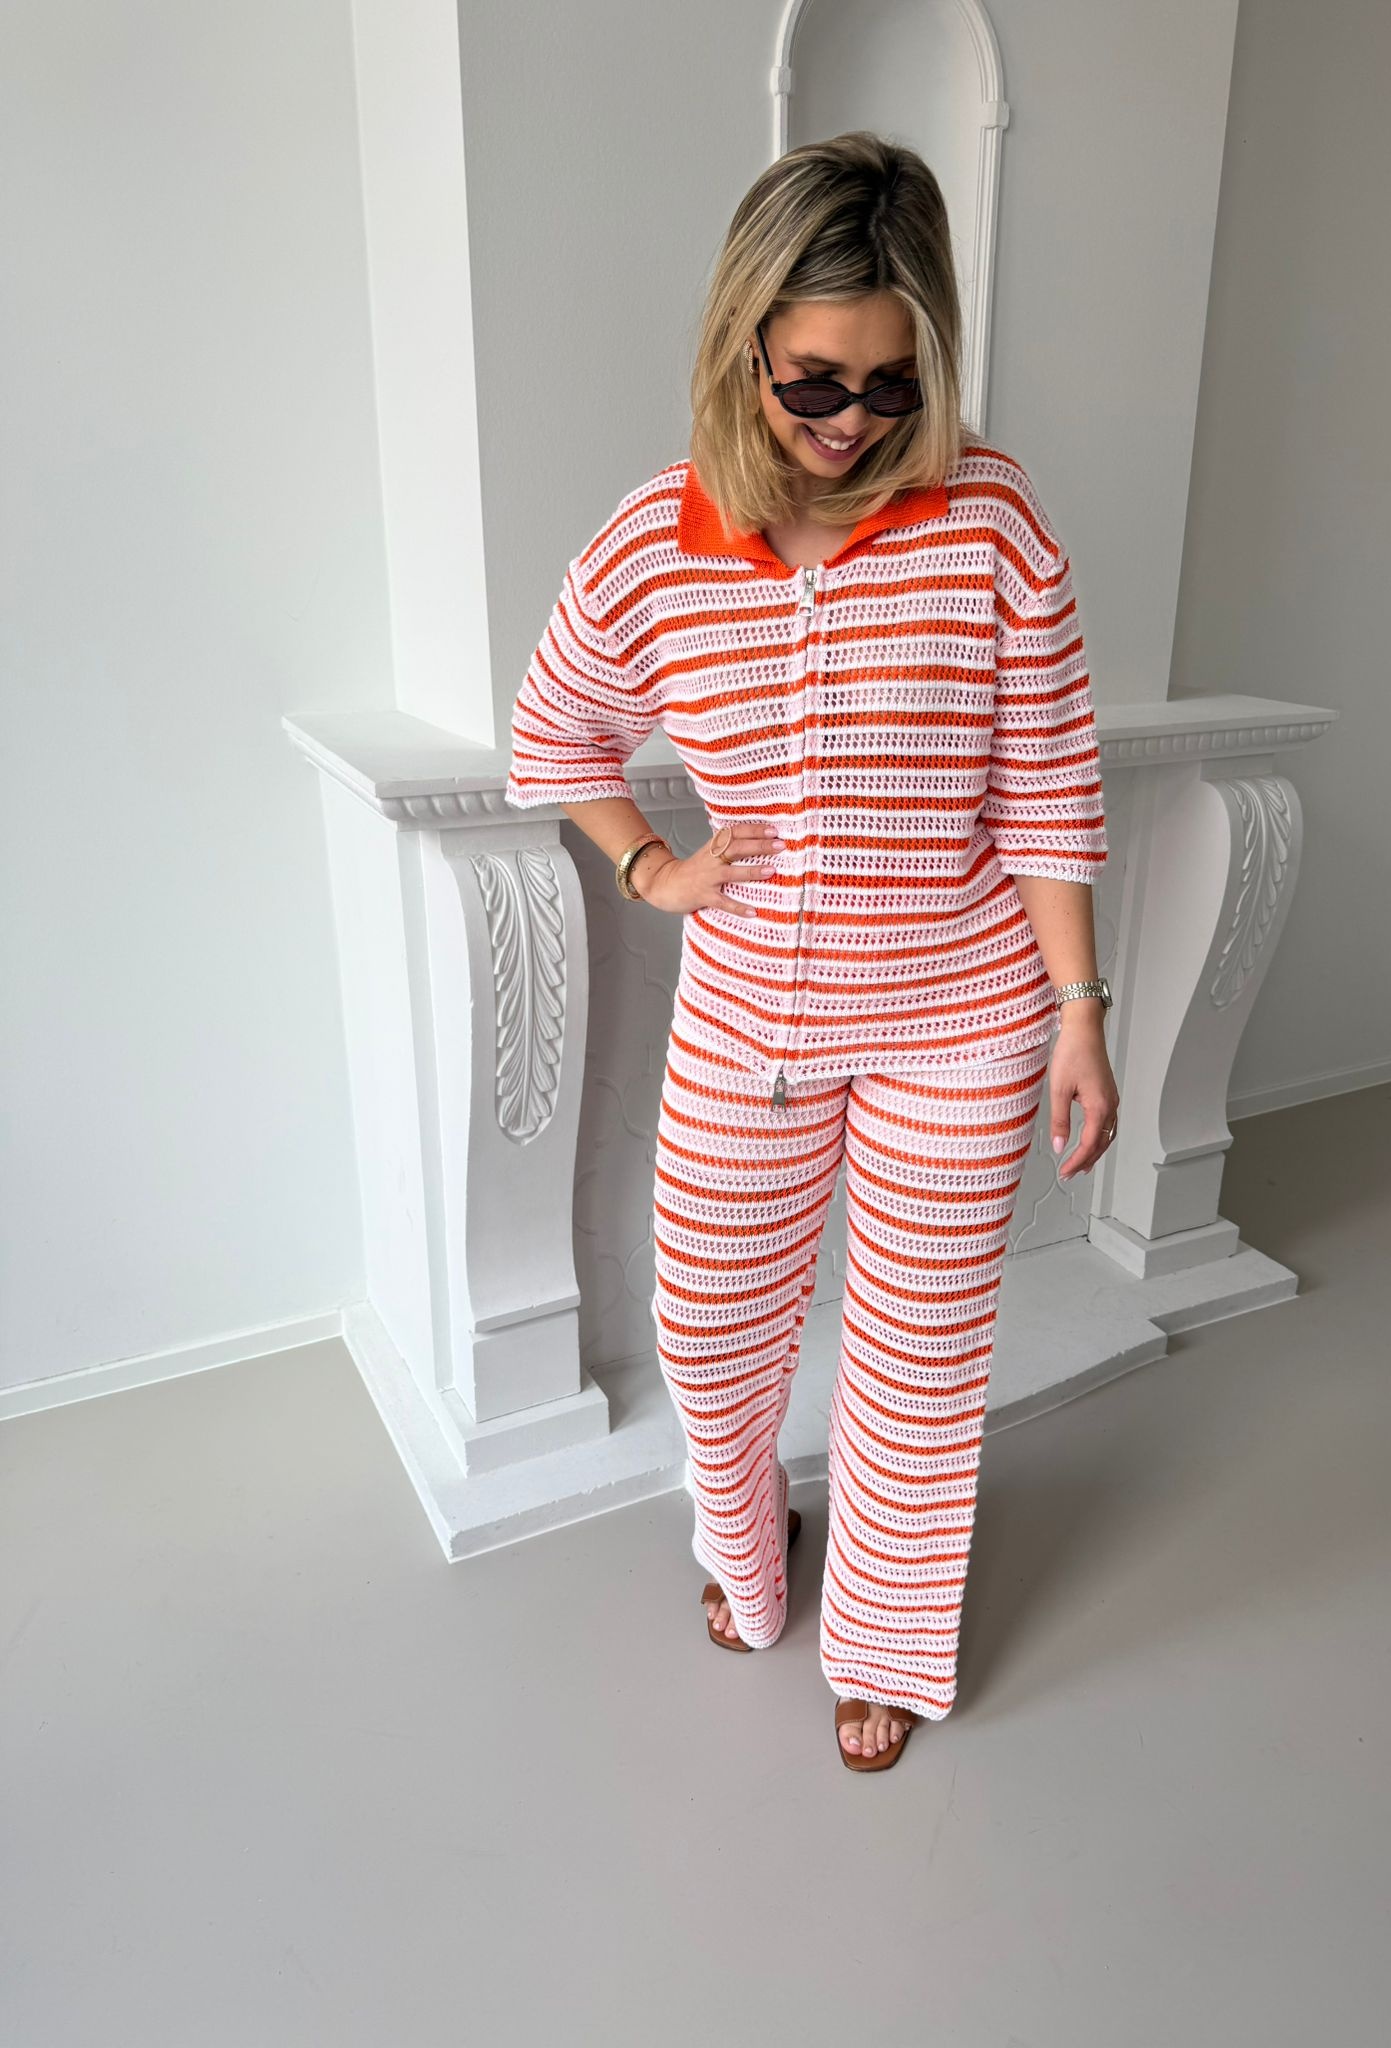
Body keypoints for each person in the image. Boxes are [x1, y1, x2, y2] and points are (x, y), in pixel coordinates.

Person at [505, 130, 1118, 1773]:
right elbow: (554, 734)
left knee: (918, 1350)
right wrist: (657, 869)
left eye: (893, 385)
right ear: (744, 344)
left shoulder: (991, 519)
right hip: (752, 1014)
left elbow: (1049, 782)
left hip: (966, 1013)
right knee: (709, 1320)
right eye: (816, 383)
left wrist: (1078, 1012)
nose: (854, 423)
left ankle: (889, 1638)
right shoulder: (658, 540)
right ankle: (743, 1541)